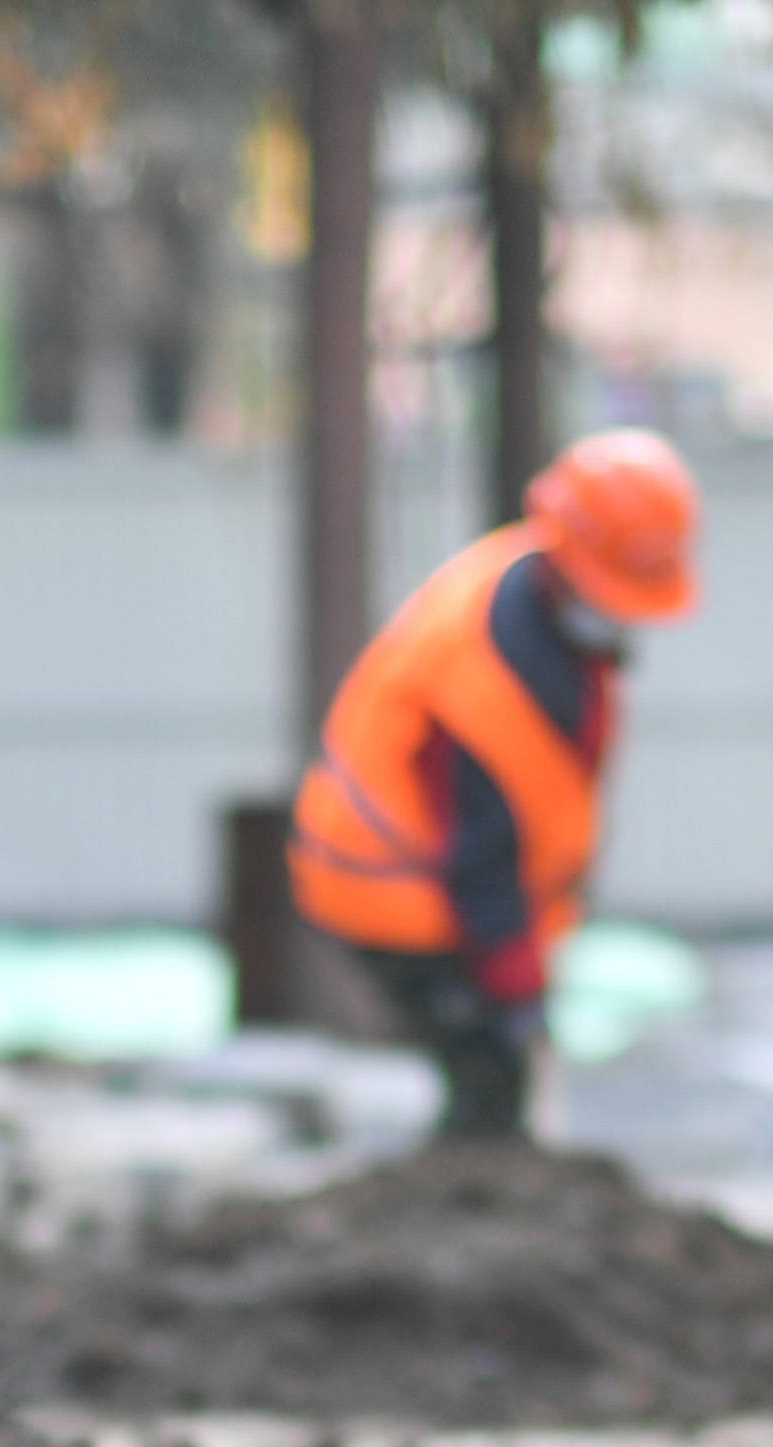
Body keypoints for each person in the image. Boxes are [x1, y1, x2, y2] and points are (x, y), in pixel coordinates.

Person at [288, 428, 700, 1141]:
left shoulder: (534, 584)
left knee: (489, 1076)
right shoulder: (495, 683)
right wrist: (517, 994)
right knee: (487, 1072)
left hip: (423, 873)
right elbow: (482, 857)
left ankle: (476, 1194)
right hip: (389, 885)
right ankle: (468, 1215)